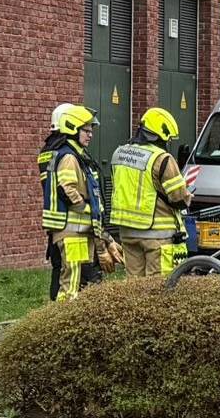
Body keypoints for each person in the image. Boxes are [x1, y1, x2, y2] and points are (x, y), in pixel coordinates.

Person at [108, 107, 193, 277]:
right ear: (160, 135)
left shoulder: (119, 153)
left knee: (135, 288)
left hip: (127, 232)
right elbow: (179, 199)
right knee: (158, 289)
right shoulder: (162, 158)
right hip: (157, 234)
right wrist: (188, 197)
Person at [41, 104, 108, 301]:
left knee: (73, 282)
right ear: (72, 128)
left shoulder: (63, 153)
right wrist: (87, 209)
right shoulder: (69, 157)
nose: (90, 135)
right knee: (71, 285)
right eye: (86, 130)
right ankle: (62, 323)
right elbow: (66, 189)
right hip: (73, 232)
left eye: (90, 131)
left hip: (73, 231)